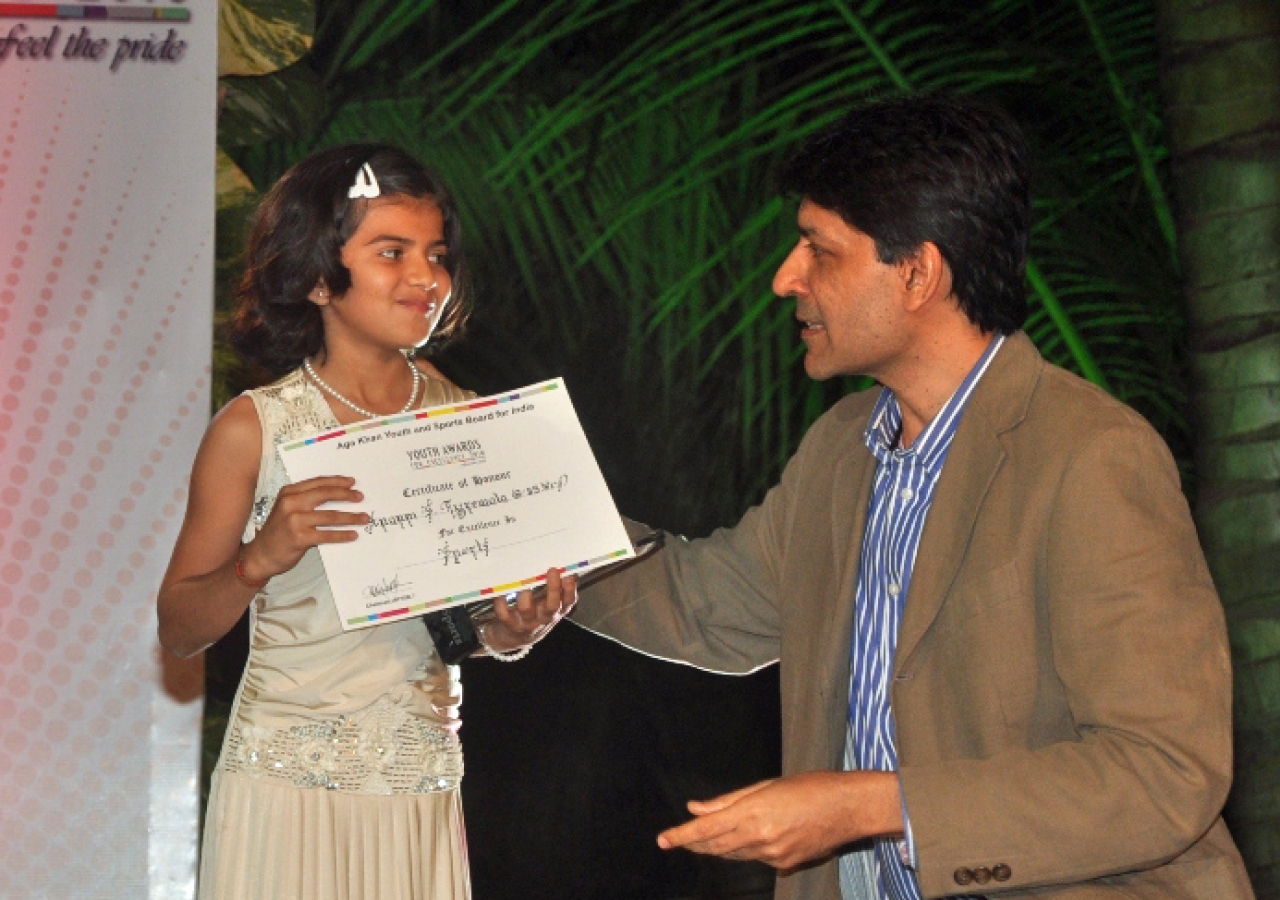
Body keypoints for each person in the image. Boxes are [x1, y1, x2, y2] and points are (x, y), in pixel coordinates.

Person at [572, 94, 1254, 899]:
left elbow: (1164, 773)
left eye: (818, 251)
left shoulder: (1092, 456)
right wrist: (521, 546)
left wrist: (873, 806)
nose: (784, 278)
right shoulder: (841, 448)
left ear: (919, 273)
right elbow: (700, 600)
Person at [158, 144, 576, 900]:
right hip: (285, 790)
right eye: (393, 253)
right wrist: (260, 557)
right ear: (319, 276)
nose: (427, 278)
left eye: (437, 255)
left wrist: (509, 631)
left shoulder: (469, 423)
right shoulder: (255, 429)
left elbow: (454, 627)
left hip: (418, 785)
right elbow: (179, 629)